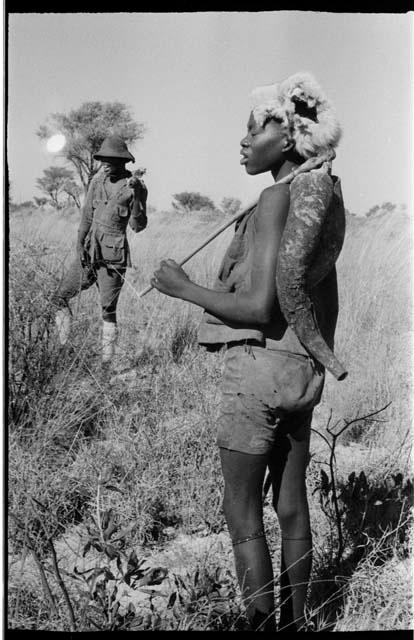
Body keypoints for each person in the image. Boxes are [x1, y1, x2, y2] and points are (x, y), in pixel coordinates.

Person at [150, 72, 344, 631]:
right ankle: (297, 624)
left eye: (252, 129)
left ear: (286, 138)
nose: (243, 141)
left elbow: (260, 308)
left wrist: (181, 288)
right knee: (290, 506)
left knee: (241, 511)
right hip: (300, 373)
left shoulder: (275, 197)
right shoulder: (319, 196)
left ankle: (260, 625)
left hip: (256, 371)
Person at [53, 134, 148, 364]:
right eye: (103, 157)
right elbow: (86, 217)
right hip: (89, 252)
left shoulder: (135, 187)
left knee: (107, 310)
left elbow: (138, 225)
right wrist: (79, 247)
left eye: (111, 158)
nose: (105, 162)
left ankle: (106, 365)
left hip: (113, 256)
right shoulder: (97, 180)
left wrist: (135, 197)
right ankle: (65, 350)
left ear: (123, 161)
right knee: (58, 298)